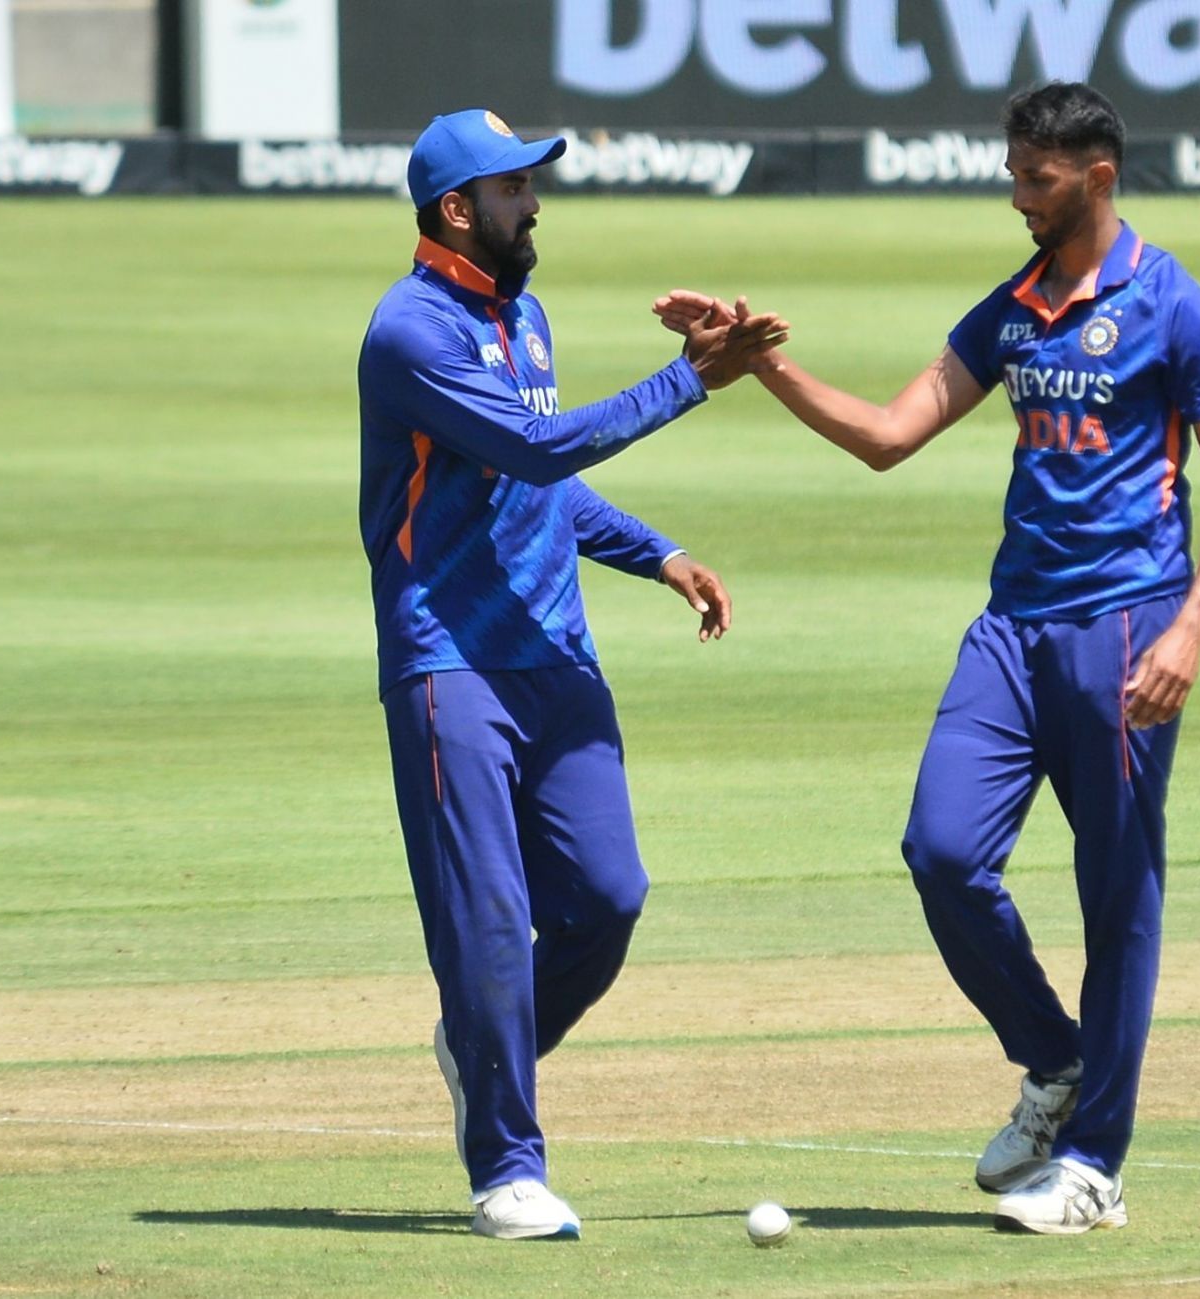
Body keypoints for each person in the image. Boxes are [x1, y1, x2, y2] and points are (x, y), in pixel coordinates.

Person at [657, 81, 1200, 1235]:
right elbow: (890, 435)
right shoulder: (1014, 309)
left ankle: (1093, 1168)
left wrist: (1191, 627)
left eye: (1035, 178)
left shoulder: (1173, 304)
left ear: (1096, 175)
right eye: (1013, 174)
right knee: (940, 850)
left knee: (1117, 895)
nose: (1017, 196)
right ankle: (1054, 1058)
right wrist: (760, 367)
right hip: (1012, 629)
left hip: (1129, 622)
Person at [357, 108, 786, 1241]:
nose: (534, 202)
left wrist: (659, 554)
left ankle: (478, 1048)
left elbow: (532, 486)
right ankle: (507, 1165)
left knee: (608, 898)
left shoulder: (523, 317)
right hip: (453, 666)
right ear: (460, 209)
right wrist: (686, 382)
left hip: (557, 661)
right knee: (491, 923)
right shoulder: (409, 331)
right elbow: (540, 449)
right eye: (514, 189)